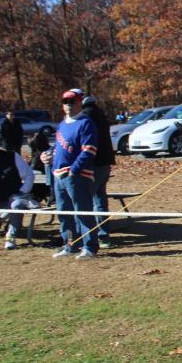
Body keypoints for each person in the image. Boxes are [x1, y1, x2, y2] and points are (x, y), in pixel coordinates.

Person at [40, 89, 99, 259]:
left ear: (80, 103)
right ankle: (70, 245)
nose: (68, 105)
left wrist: (74, 170)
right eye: (65, 102)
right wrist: (47, 155)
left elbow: (89, 150)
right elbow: (58, 147)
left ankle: (89, 246)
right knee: (64, 213)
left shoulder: (86, 123)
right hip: (58, 175)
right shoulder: (62, 124)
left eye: (72, 102)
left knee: (82, 212)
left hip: (77, 175)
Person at [80, 96, 116, 249]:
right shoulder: (101, 115)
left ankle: (89, 237)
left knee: (86, 201)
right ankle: (103, 235)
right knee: (100, 200)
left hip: (93, 164)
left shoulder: (85, 116)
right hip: (105, 163)